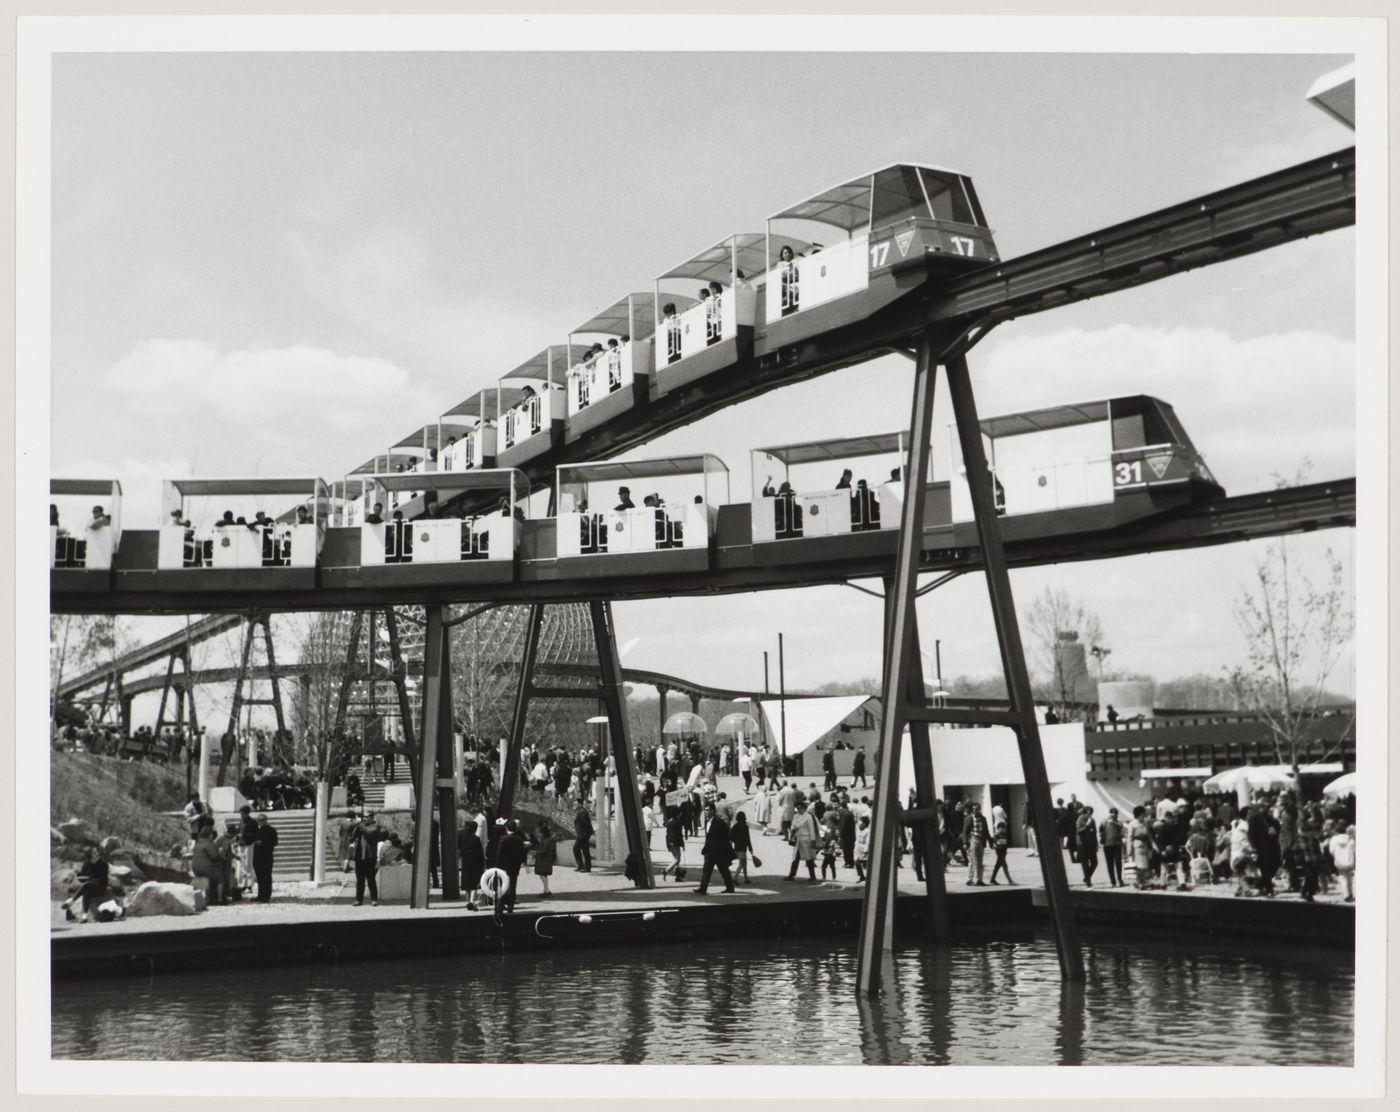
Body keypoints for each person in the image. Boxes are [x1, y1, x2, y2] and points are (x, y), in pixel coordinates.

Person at [696, 805, 737, 894]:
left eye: (707, 810)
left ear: (713, 811)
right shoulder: (707, 821)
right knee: (706, 870)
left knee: (724, 870)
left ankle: (730, 888)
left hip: (719, 851)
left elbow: (726, 836)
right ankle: (703, 889)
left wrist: (723, 849)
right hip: (709, 851)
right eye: (704, 810)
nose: (705, 812)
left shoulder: (719, 822)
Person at [349, 811, 383, 906]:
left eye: (367, 817)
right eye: (363, 817)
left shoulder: (375, 827)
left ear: (372, 817)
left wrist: (360, 825)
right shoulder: (361, 827)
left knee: (371, 879)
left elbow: (369, 833)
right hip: (359, 857)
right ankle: (358, 900)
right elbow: (352, 838)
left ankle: (374, 899)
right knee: (360, 880)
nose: (365, 818)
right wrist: (356, 828)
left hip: (369, 856)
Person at [190, 825, 227, 906]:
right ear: (210, 834)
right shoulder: (208, 844)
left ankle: (210, 896)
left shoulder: (198, 843)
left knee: (213, 873)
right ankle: (220, 899)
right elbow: (214, 856)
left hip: (195, 868)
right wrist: (220, 853)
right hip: (205, 868)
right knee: (220, 878)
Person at [496, 820, 528, 913]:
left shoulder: (503, 839)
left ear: (507, 828)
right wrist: (521, 863)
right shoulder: (519, 839)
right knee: (513, 886)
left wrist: (497, 866)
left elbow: (499, 854)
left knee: (503, 886)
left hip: (503, 867)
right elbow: (522, 853)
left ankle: (501, 906)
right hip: (514, 866)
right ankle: (510, 906)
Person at [786, 798, 819, 882]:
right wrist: (794, 828)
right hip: (798, 840)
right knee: (795, 858)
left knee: (809, 858)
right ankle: (791, 875)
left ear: (804, 808)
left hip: (806, 839)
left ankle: (813, 876)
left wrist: (812, 839)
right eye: (798, 808)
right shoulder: (795, 816)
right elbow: (792, 826)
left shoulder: (808, 817)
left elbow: (811, 829)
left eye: (800, 808)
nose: (799, 809)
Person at [459, 818, 486, 910]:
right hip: (475, 863)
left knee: (466, 883)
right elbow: (480, 853)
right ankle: (472, 901)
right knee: (474, 883)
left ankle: (467, 901)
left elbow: (459, 848)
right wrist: (482, 865)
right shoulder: (476, 839)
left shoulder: (462, 837)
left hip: (465, 862)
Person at [251, 813, 279, 903]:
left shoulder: (271, 830)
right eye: (259, 820)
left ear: (266, 820)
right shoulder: (257, 831)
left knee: (266, 876)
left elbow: (274, 842)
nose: (261, 822)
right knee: (259, 877)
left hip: (266, 856)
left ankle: (266, 896)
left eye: (263, 819)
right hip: (257, 857)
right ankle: (260, 895)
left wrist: (263, 843)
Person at [961, 801, 989, 885]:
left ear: (979, 809)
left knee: (980, 861)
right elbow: (965, 831)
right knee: (973, 860)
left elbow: (986, 831)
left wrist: (990, 841)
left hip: (981, 840)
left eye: (976, 808)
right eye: (973, 809)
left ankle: (979, 879)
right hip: (973, 839)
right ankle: (970, 879)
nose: (975, 810)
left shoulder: (983, 819)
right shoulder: (969, 818)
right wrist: (965, 843)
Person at [1128, 805, 1154, 889]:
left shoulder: (1145, 823)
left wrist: (1152, 846)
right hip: (1137, 846)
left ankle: (1141, 882)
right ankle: (1139, 882)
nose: (1145, 816)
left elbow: (1149, 836)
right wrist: (1129, 849)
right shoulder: (1132, 824)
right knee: (1140, 866)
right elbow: (1130, 837)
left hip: (1145, 846)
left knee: (1145, 866)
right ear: (1139, 814)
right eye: (1143, 814)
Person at [1327, 824, 1355, 902]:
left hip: (1339, 861)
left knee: (1343, 878)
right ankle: (1350, 894)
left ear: (1336, 831)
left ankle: (1346, 895)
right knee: (1349, 878)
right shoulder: (1350, 838)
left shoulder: (1334, 839)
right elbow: (1354, 849)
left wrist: (1335, 855)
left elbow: (1331, 850)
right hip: (1349, 860)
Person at [1099, 806, 1126, 887]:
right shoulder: (1104, 821)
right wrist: (1102, 835)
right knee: (1110, 864)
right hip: (1107, 845)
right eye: (1113, 815)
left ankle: (1120, 879)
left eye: (1115, 815)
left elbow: (1121, 828)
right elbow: (1100, 830)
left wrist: (1113, 822)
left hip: (1117, 845)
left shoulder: (1119, 822)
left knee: (1118, 863)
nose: (1114, 816)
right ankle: (1113, 881)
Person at [532, 821, 558, 897]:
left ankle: (547, 891)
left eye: (539, 833)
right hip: (545, 860)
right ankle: (545, 890)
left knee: (542, 875)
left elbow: (544, 850)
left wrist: (536, 853)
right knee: (543, 875)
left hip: (544, 860)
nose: (538, 834)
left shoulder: (546, 841)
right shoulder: (547, 840)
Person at [1076, 805, 1099, 886]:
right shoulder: (1080, 819)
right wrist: (1087, 825)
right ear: (1085, 812)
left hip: (1091, 843)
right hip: (1082, 844)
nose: (1090, 815)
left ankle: (1087, 877)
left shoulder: (1092, 820)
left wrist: (1096, 843)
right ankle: (1088, 882)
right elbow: (1079, 831)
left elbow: (1094, 832)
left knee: (1095, 862)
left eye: (1091, 813)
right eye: (1088, 813)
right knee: (1085, 863)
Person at [730, 811, 754, 884]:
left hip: (737, 847)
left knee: (744, 863)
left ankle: (746, 878)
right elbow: (747, 839)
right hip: (743, 848)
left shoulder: (735, 826)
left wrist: (735, 841)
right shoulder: (745, 826)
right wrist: (750, 849)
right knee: (742, 863)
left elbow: (731, 837)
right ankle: (735, 877)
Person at [988, 818, 1014, 885]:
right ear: (998, 828)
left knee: (997, 866)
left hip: (1004, 852)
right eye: (1001, 828)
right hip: (999, 852)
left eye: (1004, 828)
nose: (1003, 829)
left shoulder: (1005, 835)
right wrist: (996, 845)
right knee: (1005, 866)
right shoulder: (996, 835)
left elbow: (1006, 843)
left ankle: (992, 879)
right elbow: (993, 844)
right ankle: (1010, 880)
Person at [573, 801, 594, 872]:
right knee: (585, 850)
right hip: (583, 834)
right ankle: (585, 866)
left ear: (580, 804)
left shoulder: (582, 812)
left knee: (576, 849)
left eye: (576, 804)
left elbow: (587, 823)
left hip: (582, 835)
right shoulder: (581, 811)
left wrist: (586, 833)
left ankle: (583, 866)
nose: (574, 805)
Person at [854, 814, 871, 882]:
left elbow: (868, 841)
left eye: (860, 822)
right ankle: (861, 876)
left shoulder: (867, 831)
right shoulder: (858, 830)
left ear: (864, 823)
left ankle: (869, 877)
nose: (859, 823)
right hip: (857, 848)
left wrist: (866, 850)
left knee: (866, 864)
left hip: (864, 849)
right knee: (856, 861)